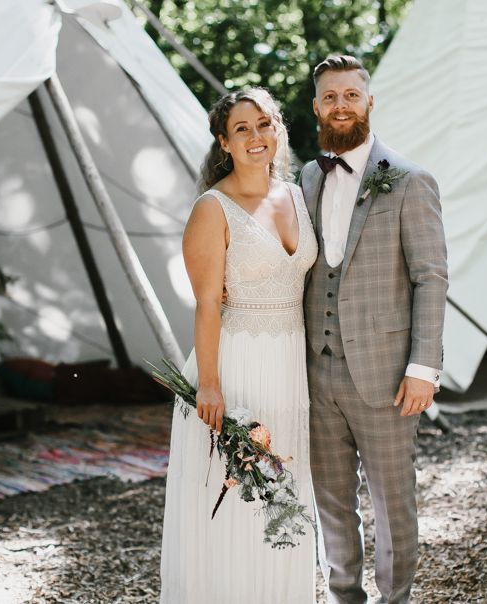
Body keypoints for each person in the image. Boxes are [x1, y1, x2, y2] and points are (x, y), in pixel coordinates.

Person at [300, 56, 448, 604]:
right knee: (331, 501)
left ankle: (395, 599)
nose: (341, 105)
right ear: (317, 107)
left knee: (392, 501)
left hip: (386, 375)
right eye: (330, 96)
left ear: (369, 102)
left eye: (351, 95)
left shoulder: (410, 180)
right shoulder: (307, 177)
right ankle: (344, 597)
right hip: (316, 373)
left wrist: (422, 367)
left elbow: (430, 278)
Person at [160, 88, 317, 603]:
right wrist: (208, 384)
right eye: (242, 129)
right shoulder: (213, 208)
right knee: (233, 496)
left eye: (264, 124)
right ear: (224, 142)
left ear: (279, 130)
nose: (256, 137)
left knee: (283, 491)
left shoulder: (298, 195)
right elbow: (207, 303)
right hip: (235, 363)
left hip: (290, 365)